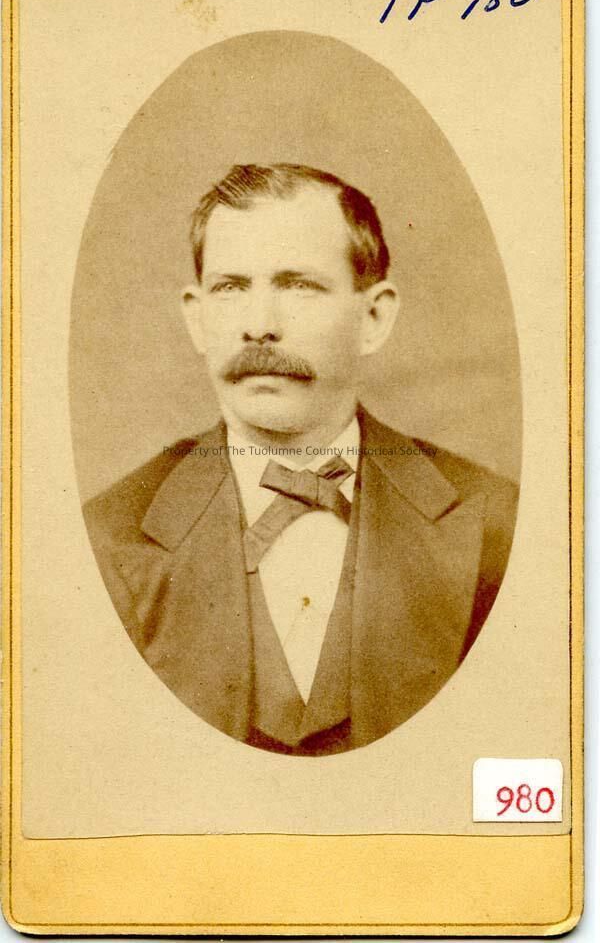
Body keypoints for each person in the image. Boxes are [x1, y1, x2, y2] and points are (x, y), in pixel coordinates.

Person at [84, 163, 518, 756]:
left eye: (298, 286)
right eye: (231, 288)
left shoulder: (496, 525)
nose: (259, 327)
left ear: (374, 317)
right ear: (197, 317)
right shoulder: (106, 537)